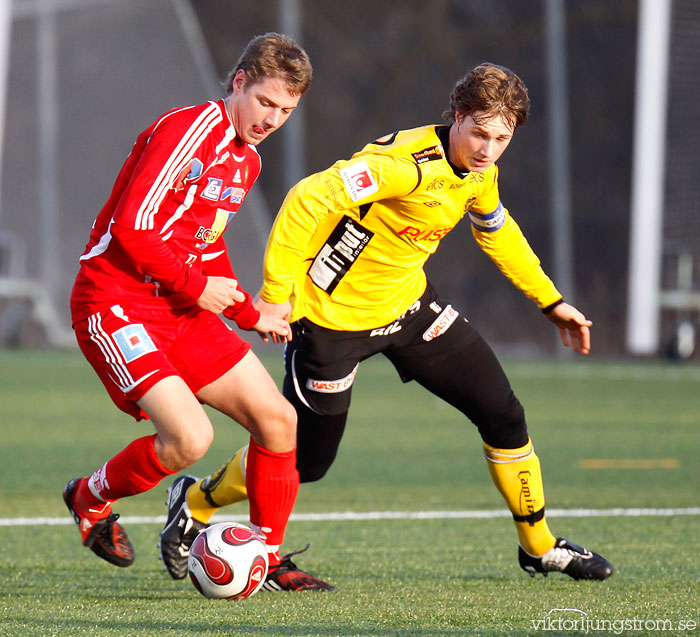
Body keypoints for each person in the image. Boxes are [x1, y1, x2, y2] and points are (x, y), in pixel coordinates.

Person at [160, 63, 613, 583]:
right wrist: (275, 297)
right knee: (305, 460)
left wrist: (550, 301)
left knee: (504, 414)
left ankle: (538, 546)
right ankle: (193, 501)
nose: (489, 149)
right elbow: (307, 198)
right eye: (481, 133)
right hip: (331, 322)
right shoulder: (404, 165)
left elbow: (496, 228)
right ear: (458, 116)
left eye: (502, 138)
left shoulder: (479, 169)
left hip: (410, 309)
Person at [63, 32, 333, 592]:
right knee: (189, 440)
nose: (272, 118)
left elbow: (206, 245)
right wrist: (196, 286)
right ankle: (88, 498)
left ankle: (268, 556)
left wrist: (246, 309)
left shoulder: (247, 161)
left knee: (280, 421)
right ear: (239, 82)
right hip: (115, 300)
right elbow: (132, 228)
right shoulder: (188, 130)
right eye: (265, 101)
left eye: (285, 110)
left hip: (179, 306)